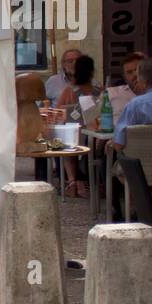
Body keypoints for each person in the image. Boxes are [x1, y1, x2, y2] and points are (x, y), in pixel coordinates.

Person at [55, 55, 100, 197]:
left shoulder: (69, 91)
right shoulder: (99, 91)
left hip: (73, 136)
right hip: (94, 136)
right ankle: (92, 182)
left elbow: (58, 112)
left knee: (66, 142)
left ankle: (73, 181)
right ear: (92, 72)